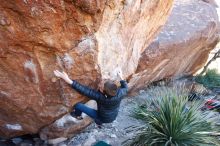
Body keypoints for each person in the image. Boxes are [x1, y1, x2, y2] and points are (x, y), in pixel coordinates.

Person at [53, 70, 128, 126]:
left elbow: (84, 90)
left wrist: (67, 79)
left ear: (102, 91)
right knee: (104, 114)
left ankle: (78, 115)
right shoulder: (121, 92)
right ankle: (99, 122)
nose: (101, 84)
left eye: (102, 86)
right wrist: (120, 76)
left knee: (78, 106)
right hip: (113, 116)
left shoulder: (100, 98)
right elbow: (125, 86)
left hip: (102, 117)